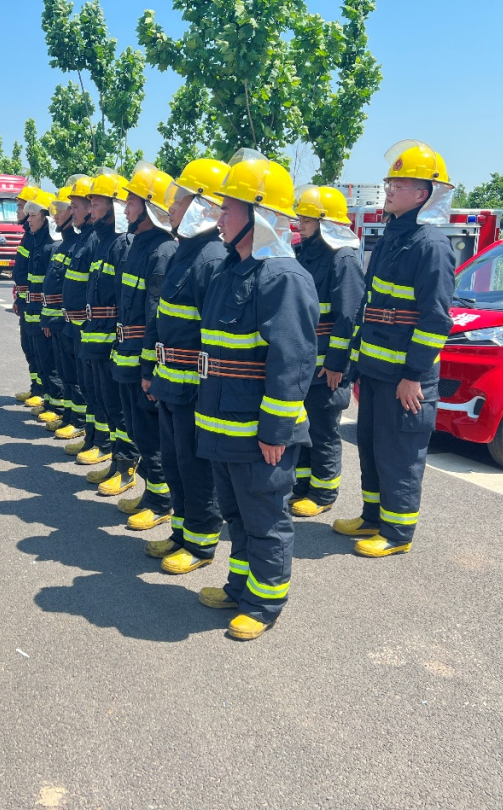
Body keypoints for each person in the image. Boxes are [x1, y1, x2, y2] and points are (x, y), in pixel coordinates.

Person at [193, 149, 319, 641]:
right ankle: (240, 586)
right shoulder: (230, 270)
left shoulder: (283, 277)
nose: (219, 217)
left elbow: (291, 363)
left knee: (265, 515)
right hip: (223, 423)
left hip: (257, 431)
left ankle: (266, 601)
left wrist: (276, 432)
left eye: (229, 208)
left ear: (258, 215)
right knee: (236, 513)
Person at [335, 141, 457, 557]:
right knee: (370, 447)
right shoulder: (393, 236)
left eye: (398, 183)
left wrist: (413, 375)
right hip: (375, 371)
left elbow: (435, 320)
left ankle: (397, 533)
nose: (388, 188)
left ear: (422, 194)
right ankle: (373, 517)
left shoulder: (431, 245)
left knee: (399, 455)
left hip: (405, 378)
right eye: (390, 181)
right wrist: (358, 366)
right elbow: (371, 308)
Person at [141, 158, 229, 566]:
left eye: (177, 202)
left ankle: (201, 543)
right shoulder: (183, 253)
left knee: (196, 469)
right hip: (170, 382)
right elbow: (163, 318)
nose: (170, 209)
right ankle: (180, 532)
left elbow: (212, 340)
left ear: (199, 206)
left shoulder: (210, 259)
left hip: (193, 387)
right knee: (175, 463)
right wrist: (155, 375)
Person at [289, 186, 365, 517]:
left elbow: (348, 317)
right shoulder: (304, 253)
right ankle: (303, 486)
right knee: (303, 427)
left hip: (326, 367)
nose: (300, 221)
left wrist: (336, 364)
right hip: (305, 363)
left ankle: (323, 492)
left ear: (325, 221)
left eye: (307, 217)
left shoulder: (342, 257)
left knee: (323, 430)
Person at [113, 161, 178, 529]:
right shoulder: (139, 246)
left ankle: (161, 499)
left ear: (150, 206)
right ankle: (152, 492)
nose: (126, 209)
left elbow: (155, 317)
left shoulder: (163, 251)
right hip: (127, 355)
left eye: (132, 203)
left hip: (144, 361)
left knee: (152, 435)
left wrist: (150, 368)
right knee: (138, 429)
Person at [79, 170, 135, 495]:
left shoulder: (121, 245)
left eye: (96, 202)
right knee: (104, 403)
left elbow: (123, 303)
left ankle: (127, 465)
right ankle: (115, 460)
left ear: (113, 205)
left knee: (118, 408)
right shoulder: (100, 243)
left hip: (111, 342)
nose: (91, 208)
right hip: (94, 340)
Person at [60, 175, 111, 462]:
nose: (81, 211)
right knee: (90, 390)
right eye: (83, 205)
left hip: (92, 329)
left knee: (101, 395)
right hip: (80, 327)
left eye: (83, 205)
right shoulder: (87, 241)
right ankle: (93, 438)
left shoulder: (96, 242)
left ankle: (103, 444)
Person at [41, 185, 86, 441]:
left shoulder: (78, 244)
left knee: (76, 377)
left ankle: (78, 420)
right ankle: (70, 416)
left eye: (62, 210)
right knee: (65, 372)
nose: (56, 215)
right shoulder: (65, 246)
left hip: (71, 322)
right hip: (60, 320)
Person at [23, 189, 66, 428]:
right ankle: (50, 401)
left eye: (32, 216)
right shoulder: (38, 244)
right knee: (40, 358)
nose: (28, 220)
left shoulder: (52, 247)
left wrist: (48, 318)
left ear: (45, 218)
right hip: (34, 312)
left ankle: (57, 405)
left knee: (51, 363)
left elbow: (54, 287)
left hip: (45, 314)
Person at [13, 184, 43, 406]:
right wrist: (19, 298)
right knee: (29, 347)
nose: (19, 212)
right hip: (26, 300)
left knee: (40, 350)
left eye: (22, 207)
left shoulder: (38, 238)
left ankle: (43, 392)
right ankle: (36, 388)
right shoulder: (28, 236)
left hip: (38, 304)